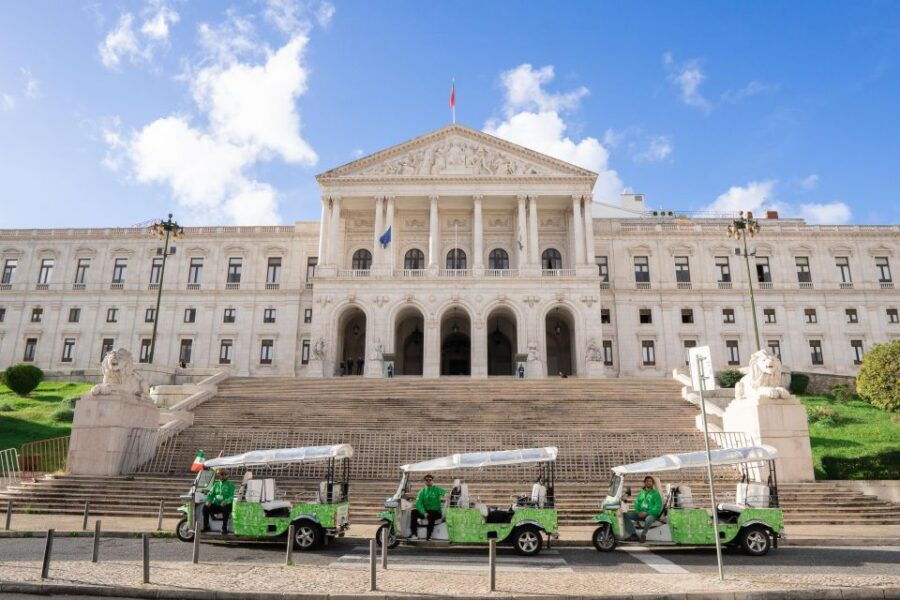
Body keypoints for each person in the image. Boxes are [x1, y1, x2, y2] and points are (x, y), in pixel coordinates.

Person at [623, 476, 662, 542]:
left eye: (650, 481)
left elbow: (657, 507)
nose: (648, 482)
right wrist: (638, 512)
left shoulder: (656, 494)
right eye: (647, 481)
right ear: (644, 483)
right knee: (624, 515)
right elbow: (636, 503)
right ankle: (633, 534)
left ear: (652, 483)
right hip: (641, 513)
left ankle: (643, 535)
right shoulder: (641, 493)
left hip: (651, 514)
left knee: (648, 519)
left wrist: (647, 513)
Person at [409, 473, 446, 540]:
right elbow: (418, 503)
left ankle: (429, 536)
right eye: (426, 480)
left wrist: (445, 495)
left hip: (436, 511)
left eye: (430, 480)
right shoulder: (422, 491)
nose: (428, 481)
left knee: (431, 515)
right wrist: (423, 512)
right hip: (426, 511)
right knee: (413, 512)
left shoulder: (436, 489)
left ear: (432, 481)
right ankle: (414, 534)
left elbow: (445, 492)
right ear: (425, 481)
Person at [202, 469, 235, 534]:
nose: (221, 476)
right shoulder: (216, 484)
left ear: (227, 476)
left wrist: (226, 501)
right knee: (205, 507)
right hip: (217, 505)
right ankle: (206, 526)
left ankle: (224, 528)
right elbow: (210, 494)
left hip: (226, 505)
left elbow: (231, 497)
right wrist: (209, 501)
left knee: (226, 508)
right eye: (220, 475)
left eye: (223, 475)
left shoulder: (230, 484)